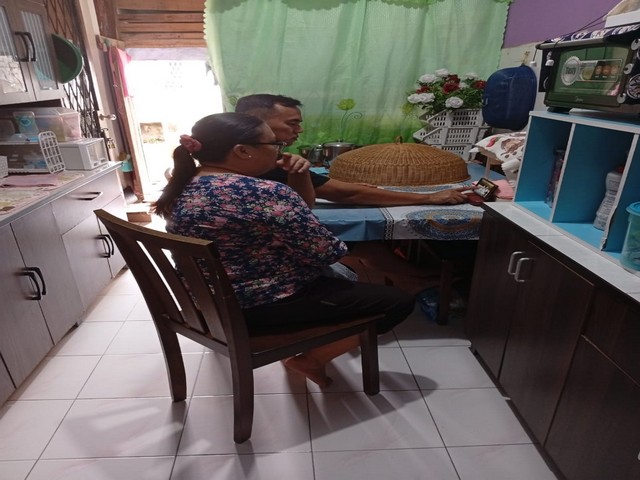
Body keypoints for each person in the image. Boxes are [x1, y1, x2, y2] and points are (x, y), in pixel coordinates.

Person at [151, 112, 415, 387]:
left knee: (343, 276)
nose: (280, 151)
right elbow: (326, 253)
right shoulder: (265, 192)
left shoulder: (181, 185)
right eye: (274, 144)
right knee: (398, 302)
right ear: (242, 151)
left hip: (206, 302)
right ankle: (311, 359)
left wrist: (297, 178)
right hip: (258, 306)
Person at [234, 93, 470, 206]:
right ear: (258, 123)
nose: (300, 130)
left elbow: (323, 187)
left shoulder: (265, 156)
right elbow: (345, 194)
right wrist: (429, 197)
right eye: (292, 123)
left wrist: (349, 186)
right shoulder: (260, 160)